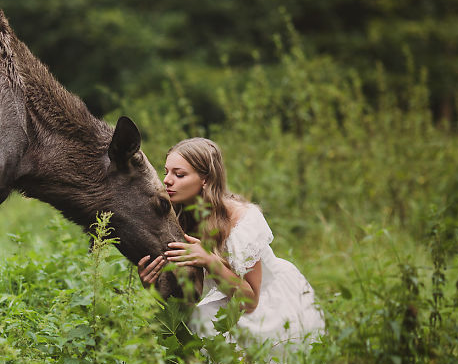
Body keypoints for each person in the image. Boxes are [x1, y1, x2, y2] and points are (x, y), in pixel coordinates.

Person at [137, 137, 325, 351]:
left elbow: (251, 301)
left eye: (179, 174)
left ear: (205, 179)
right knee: (193, 321)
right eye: (166, 172)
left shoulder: (241, 220)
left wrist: (209, 261)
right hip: (226, 297)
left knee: (204, 320)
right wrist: (154, 285)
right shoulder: (176, 219)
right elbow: (185, 296)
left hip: (267, 304)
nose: (168, 181)